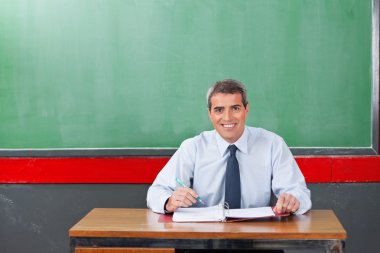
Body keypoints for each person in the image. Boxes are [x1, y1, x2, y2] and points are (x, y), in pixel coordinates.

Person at [147, 79, 311, 216]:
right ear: (210, 114)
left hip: (258, 237)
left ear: (246, 110)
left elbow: (299, 192)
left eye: (235, 108)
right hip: (205, 239)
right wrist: (169, 201)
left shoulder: (272, 144)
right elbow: (156, 191)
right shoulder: (193, 147)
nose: (227, 117)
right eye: (219, 110)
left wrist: (293, 200)